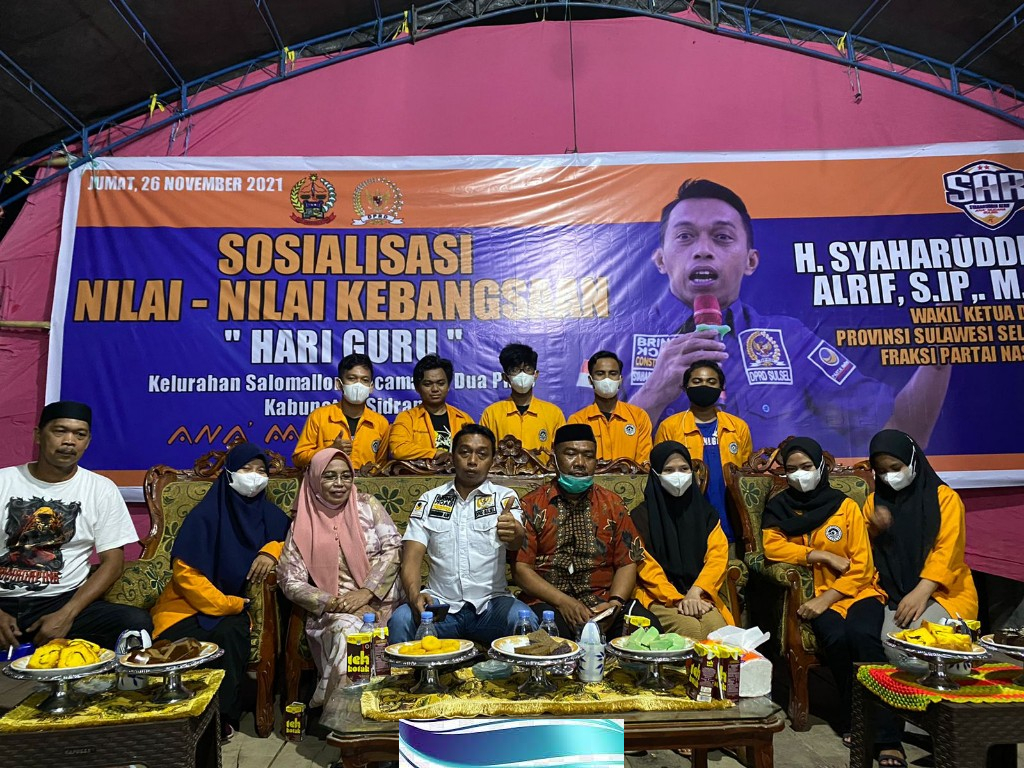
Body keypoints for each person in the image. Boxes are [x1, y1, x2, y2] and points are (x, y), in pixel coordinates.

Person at [630, 179, 951, 456]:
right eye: (685, 236)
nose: (703, 250)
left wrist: (937, 361)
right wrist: (653, 393)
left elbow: (902, 434)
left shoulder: (789, 340)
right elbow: (600, 458)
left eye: (722, 237)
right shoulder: (619, 338)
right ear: (660, 260)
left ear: (750, 261)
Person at [762, 437, 903, 765]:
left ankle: (888, 737)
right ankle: (853, 719)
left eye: (807, 467)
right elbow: (772, 547)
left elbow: (862, 566)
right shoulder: (779, 507)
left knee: (863, 637)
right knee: (836, 638)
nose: (800, 475)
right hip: (814, 594)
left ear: (821, 467)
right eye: (792, 469)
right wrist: (819, 554)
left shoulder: (845, 506)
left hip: (858, 592)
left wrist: (829, 597)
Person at [150, 442, 290, 740]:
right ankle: (172, 714)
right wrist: (227, 604)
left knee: (230, 632)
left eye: (261, 471)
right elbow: (186, 575)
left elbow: (290, 539)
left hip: (237, 609)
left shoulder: (270, 515)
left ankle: (222, 717)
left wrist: (271, 551)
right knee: (205, 634)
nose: (254, 477)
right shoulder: (205, 516)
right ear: (229, 473)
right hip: (187, 607)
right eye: (246, 469)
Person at [0, 401, 152, 649]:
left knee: (134, 622)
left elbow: (113, 563)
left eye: (80, 435)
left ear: (88, 441)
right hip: (3, 599)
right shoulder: (4, 481)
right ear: (38, 435)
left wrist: (67, 613)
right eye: (60, 431)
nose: (69, 441)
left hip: (60, 601)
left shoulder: (100, 489)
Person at [387, 425, 535, 644]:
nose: (472, 461)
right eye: (465, 452)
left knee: (525, 620)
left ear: (492, 460)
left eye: (482, 454)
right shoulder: (430, 500)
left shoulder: (504, 498)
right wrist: (414, 595)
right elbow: (411, 559)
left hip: (491, 606)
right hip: (441, 607)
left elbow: (515, 542)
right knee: (401, 620)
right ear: (452, 456)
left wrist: (513, 532)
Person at [278, 448, 401, 706]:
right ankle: (347, 709)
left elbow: (394, 548)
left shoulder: (368, 505)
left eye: (346, 476)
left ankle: (386, 707)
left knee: (401, 624)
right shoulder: (303, 522)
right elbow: (289, 579)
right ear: (315, 479)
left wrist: (366, 592)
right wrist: (337, 603)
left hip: (384, 602)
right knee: (349, 632)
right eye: (329, 476)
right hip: (335, 609)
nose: (339, 483)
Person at [516, 424, 658, 639]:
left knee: (649, 631)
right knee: (550, 640)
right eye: (570, 454)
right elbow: (521, 569)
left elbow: (627, 562)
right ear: (554, 458)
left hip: (602, 602)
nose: (580, 463)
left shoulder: (613, 504)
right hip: (549, 603)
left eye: (588, 456)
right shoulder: (531, 505)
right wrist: (563, 602)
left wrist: (615, 603)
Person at [864, 429, 978, 659]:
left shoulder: (944, 498)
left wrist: (922, 591)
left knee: (923, 646)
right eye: (882, 471)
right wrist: (874, 530)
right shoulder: (873, 503)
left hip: (943, 591)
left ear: (913, 460)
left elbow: (948, 552)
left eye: (896, 468)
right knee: (892, 646)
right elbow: (863, 552)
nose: (889, 477)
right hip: (892, 593)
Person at [630, 441, 733, 640]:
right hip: (657, 596)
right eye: (669, 470)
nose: (678, 475)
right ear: (655, 474)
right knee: (690, 630)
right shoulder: (640, 518)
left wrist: (696, 592)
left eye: (684, 469)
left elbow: (717, 558)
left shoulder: (707, 514)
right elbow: (646, 568)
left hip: (700, 594)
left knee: (717, 631)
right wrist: (677, 599)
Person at [654, 360, 752, 544]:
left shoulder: (738, 427)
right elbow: (658, 477)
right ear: (685, 387)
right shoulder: (670, 427)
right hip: (684, 519)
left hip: (731, 520)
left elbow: (747, 475)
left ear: (721, 388)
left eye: (711, 382)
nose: (704, 386)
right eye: (697, 381)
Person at [292, 353, 390, 470]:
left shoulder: (380, 423)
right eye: (352, 378)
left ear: (371, 387)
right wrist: (330, 451)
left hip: (366, 481)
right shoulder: (319, 417)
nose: (358, 385)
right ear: (339, 384)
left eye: (364, 380)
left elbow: (381, 467)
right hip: (328, 480)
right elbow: (299, 459)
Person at [479, 343, 565, 462]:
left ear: (536, 375)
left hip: (543, 474)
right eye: (515, 370)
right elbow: (483, 454)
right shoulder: (491, 414)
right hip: (503, 474)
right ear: (505, 377)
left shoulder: (553, 413)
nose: (522, 375)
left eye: (528, 369)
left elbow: (562, 455)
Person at [567, 351, 652, 465]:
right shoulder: (578, 420)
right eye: (600, 373)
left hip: (629, 477)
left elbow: (644, 464)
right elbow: (577, 463)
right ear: (590, 380)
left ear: (620, 379)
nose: (607, 379)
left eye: (613, 373)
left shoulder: (639, 417)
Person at [385, 355, 473, 463]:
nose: (435, 389)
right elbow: (398, 449)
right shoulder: (407, 418)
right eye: (428, 384)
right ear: (417, 388)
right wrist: (435, 453)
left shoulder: (464, 419)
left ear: (448, 386)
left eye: (441, 383)